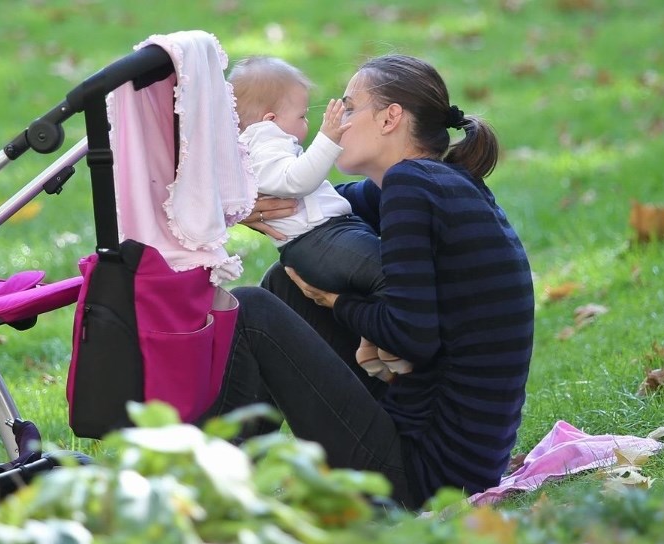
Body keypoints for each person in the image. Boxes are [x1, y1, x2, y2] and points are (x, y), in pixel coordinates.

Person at [216, 54, 535, 509]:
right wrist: (249, 203)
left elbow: (413, 334)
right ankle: (219, 477)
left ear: (391, 118)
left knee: (253, 310)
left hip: (419, 481)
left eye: (348, 108)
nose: (337, 123)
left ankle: (206, 487)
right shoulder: (434, 181)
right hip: (450, 467)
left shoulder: (410, 185)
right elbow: (320, 210)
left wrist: (336, 302)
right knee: (285, 287)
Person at [228, 56, 409, 380]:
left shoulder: (268, 146)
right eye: (301, 116)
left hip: (327, 236)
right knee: (393, 273)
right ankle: (395, 342)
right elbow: (297, 180)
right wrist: (328, 139)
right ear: (269, 119)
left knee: (380, 275)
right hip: (319, 241)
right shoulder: (263, 143)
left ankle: (371, 344)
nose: (307, 126)